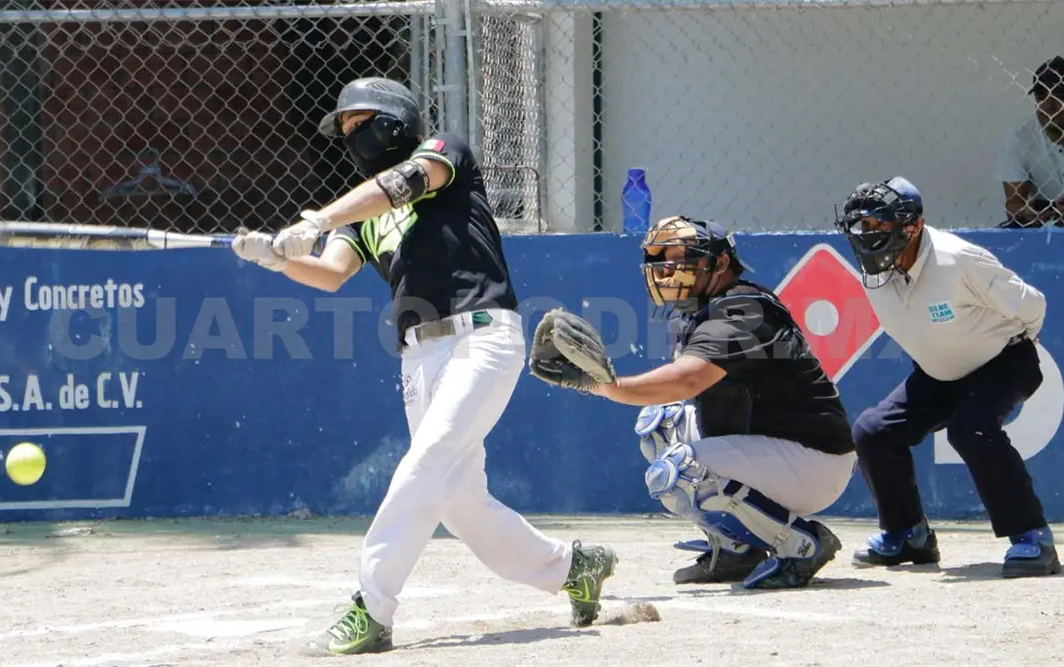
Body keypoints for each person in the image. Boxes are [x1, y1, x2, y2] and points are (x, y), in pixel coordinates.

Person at [230, 77, 617, 654]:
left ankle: (372, 607)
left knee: (424, 463)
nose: (351, 136)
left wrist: (315, 221)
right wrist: (276, 259)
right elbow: (332, 273)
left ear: (393, 120)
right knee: (461, 505)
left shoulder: (444, 151)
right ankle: (571, 567)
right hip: (419, 355)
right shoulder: (362, 216)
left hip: (481, 337)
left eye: (359, 123)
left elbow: (401, 184)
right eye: (345, 129)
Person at [537, 215, 857, 589]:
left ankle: (802, 543)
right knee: (660, 422)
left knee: (679, 472)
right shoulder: (700, 313)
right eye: (660, 261)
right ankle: (738, 549)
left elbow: (688, 380)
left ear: (721, 263)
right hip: (774, 448)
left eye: (681, 259)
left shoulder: (744, 309)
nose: (668, 272)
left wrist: (603, 385)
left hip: (813, 461)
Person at [834, 176, 1060, 578]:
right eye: (863, 227)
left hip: (1003, 362)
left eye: (880, 225)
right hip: (938, 376)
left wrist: (1020, 337)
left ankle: (1032, 538)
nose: (868, 237)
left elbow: (1032, 304)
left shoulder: (959, 260)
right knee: (873, 431)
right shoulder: (873, 270)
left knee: (970, 428)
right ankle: (908, 536)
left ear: (913, 226)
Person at [996, 56, 1064, 228]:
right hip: (1048, 214)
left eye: (1059, 94)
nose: (1049, 104)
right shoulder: (1021, 136)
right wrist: (1027, 213)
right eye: (1041, 95)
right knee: (1010, 229)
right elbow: (1013, 203)